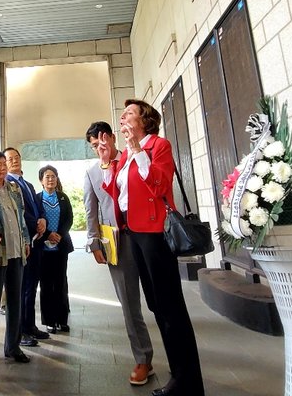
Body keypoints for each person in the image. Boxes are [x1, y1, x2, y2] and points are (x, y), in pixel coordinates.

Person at [97, 100, 206, 396]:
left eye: (129, 113)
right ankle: (179, 372)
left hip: (155, 234)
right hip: (133, 234)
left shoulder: (158, 146)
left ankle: (187, 382)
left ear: (144, 120)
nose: (123, 117)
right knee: (158, 306)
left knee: (170, 308)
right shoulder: (126, 156)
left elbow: (158, 185)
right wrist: (108, 162)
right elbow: (116, 192)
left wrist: (136, 150)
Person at [84, 121, 155, 386]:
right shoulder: (92, 171)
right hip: (117, 241)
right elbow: (90, 209)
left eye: (102, 141)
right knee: (129, 304)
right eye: (93, 146)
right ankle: (143, 358)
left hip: (146, 236)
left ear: (113, 137)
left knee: (158, 299)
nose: (98, 148)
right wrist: (94, 243)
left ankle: (177, 357)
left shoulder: (132, 157)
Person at [0, 151, 33, 367]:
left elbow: (20, 217)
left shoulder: (14, 188)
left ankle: (13, 346)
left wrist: (26, 240)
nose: (2, 168)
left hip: (17, 251)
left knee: (15, 300)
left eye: (4, 164)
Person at [4, 147, 49, 345]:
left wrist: (43, 220)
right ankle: (21, 331)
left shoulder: (28, 184)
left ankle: (30, 325)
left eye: (16, 157)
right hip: (23, 241)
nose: (14, 161)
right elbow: (19, 213)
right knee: (22, 288)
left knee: (32, 286)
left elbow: (38, 207)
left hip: (36, 241)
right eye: (9, 159)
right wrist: (34, 223)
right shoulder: (8, 183)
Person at [35, 165, 74, 334]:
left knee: (60, 283)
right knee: (46, 284)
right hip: (42, 248)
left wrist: (58, 234)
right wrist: (47, 236)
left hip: (61, 246)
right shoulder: (36, 199)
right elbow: (34, 221)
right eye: (47, 177)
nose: (50, 179)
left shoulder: (63, 198)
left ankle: (62, 319)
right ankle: (49, 321)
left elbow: (69, 219)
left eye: (53, 176)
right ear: (41, 180)